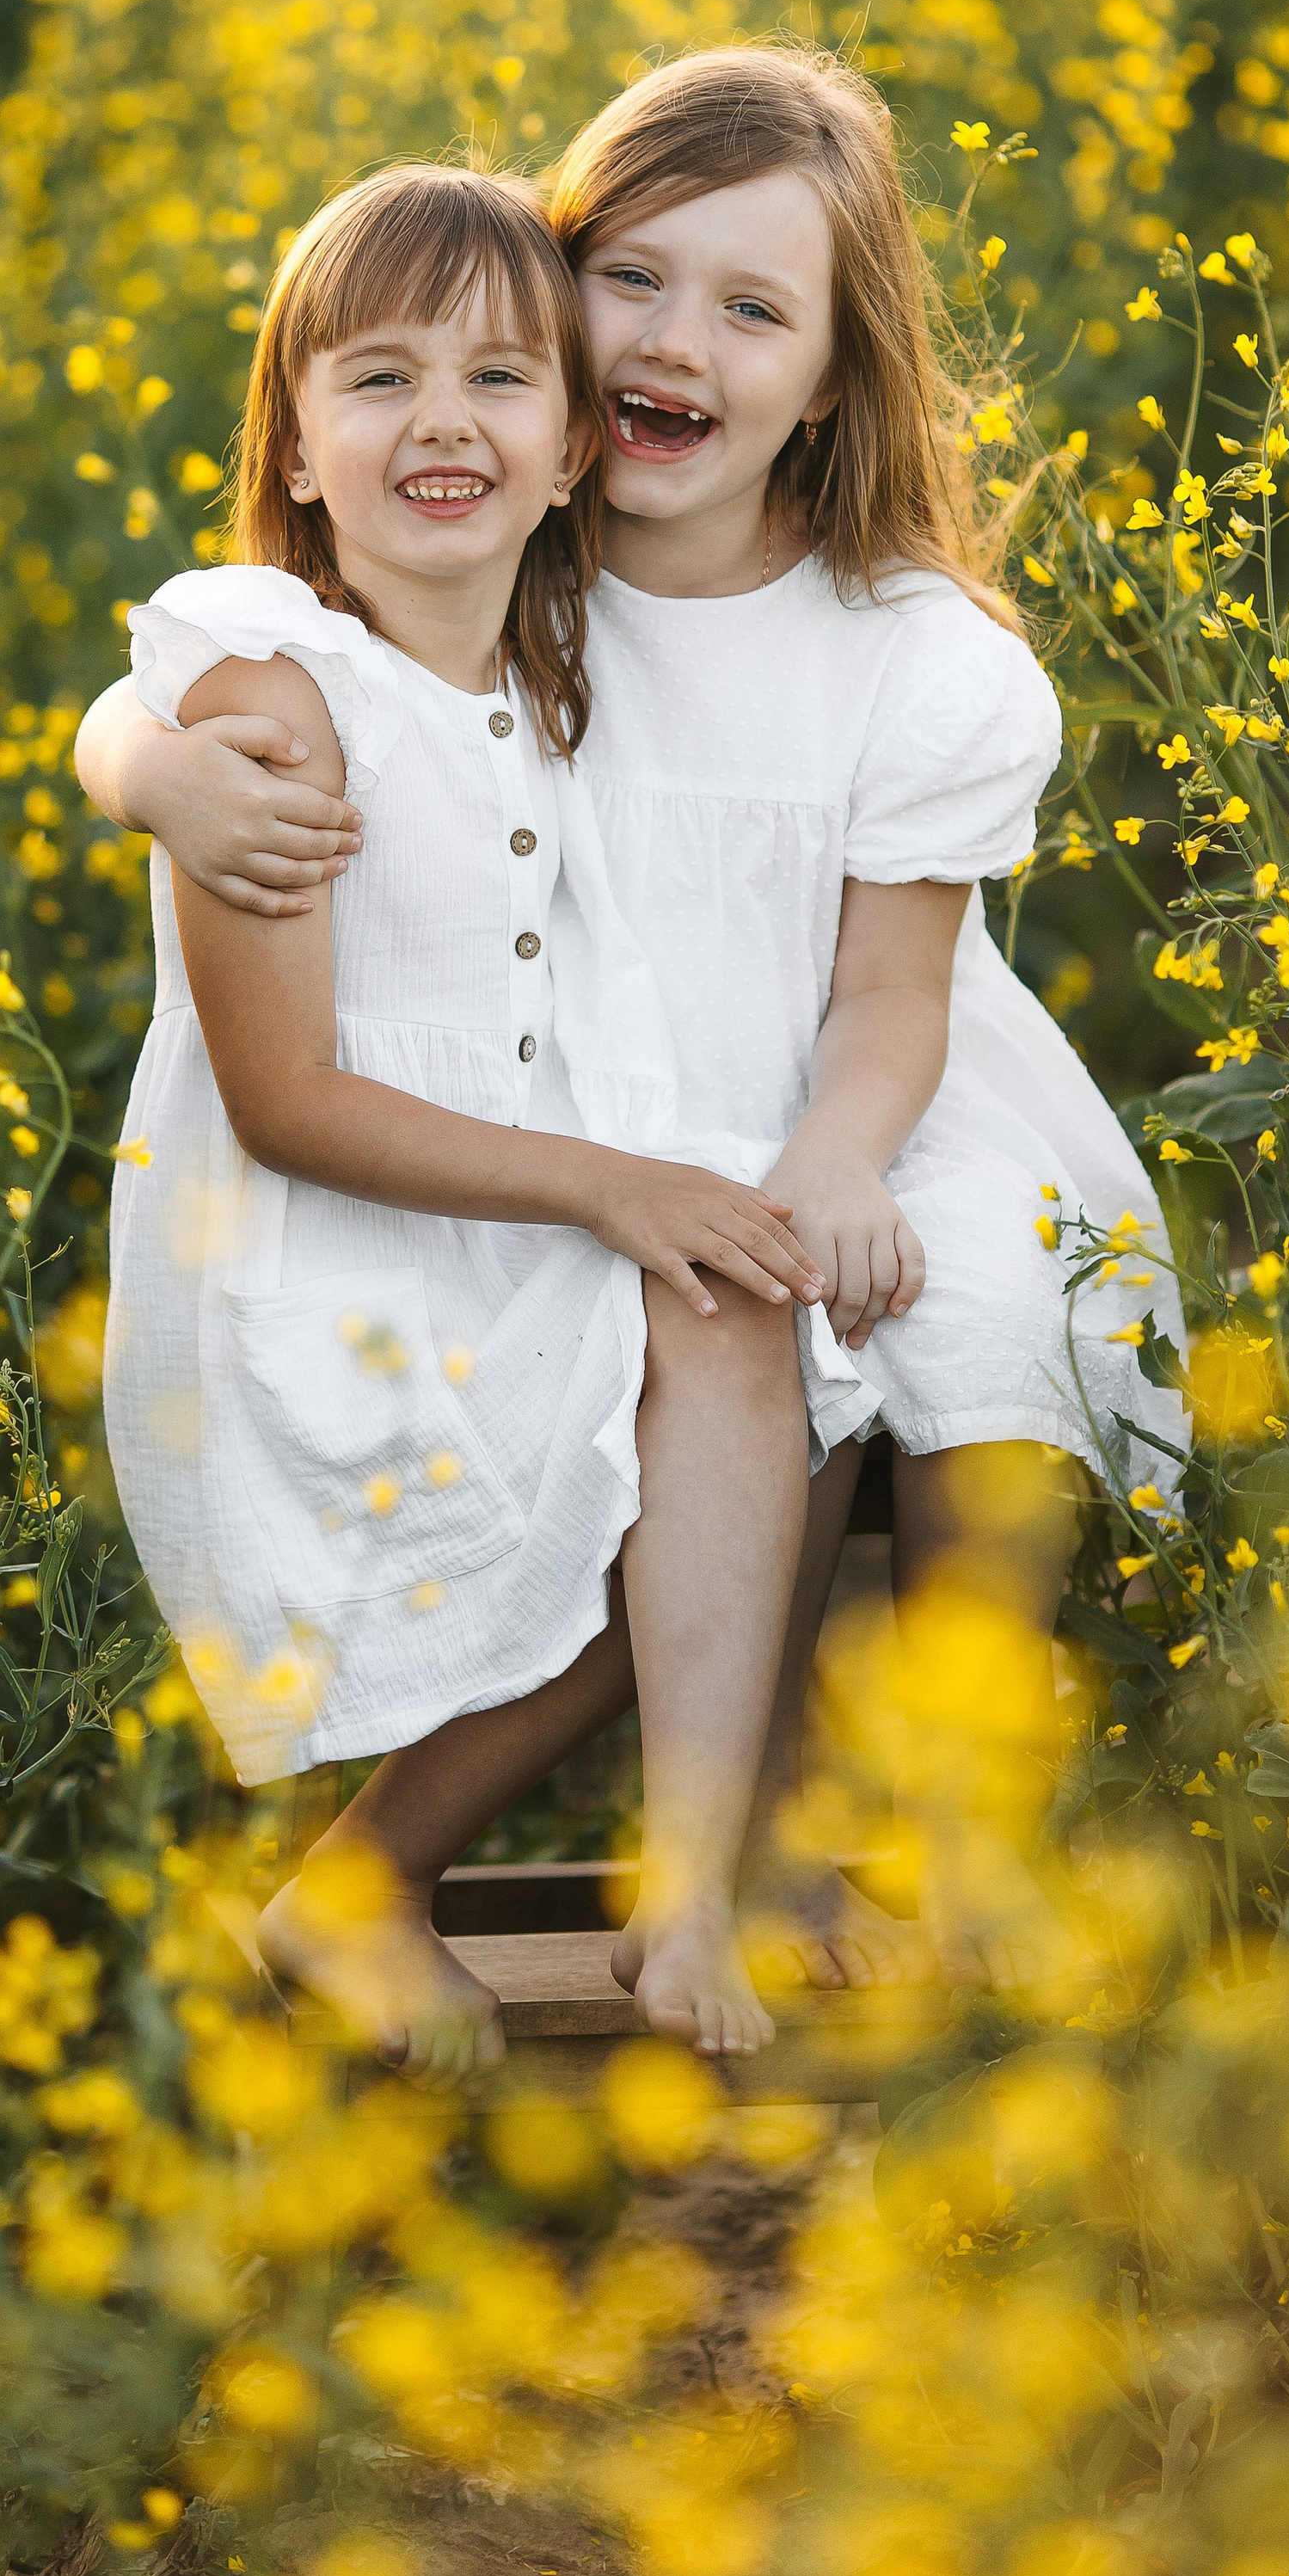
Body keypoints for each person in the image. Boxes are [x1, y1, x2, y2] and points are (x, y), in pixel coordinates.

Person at [81, 49, 1189, 1988]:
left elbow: (890, 995)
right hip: (594, 1113)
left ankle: (957, 1826)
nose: (677, 341)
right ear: (556, 297)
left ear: (836, 377)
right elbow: (251, 647)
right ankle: (732, 1869)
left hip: (875, 1093)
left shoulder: (905, 653)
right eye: (636, 282)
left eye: (753, 309)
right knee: (734, 1319)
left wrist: (831, 1156)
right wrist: (139, 763)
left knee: (981, 1312)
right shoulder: (505, 550)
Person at [97, 160, 832, 2079]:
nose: (441, 422)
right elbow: (282, 1103)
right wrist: (144, 763)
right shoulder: (271, 687)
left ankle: (690, 1898)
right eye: (379, 382)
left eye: (499, 379)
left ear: (578, 444)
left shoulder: (545, 660)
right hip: (328, 1272)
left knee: (762, 1358)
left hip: (484, 1236)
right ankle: (360, 1888)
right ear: (297, 447)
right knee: (676, 1448)